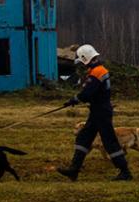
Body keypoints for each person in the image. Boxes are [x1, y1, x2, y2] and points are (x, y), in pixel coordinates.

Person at [56, 44, 132, 181]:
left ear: (85, 59)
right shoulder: (99, 70)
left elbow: (87, 93)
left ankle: (125, 172)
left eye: (81, 61)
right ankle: (74, 170)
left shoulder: (97, 72)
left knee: (109, 142)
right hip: (98, 111)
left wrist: (74, 99)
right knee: (83, 138)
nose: (81, 65)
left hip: (101, 112)